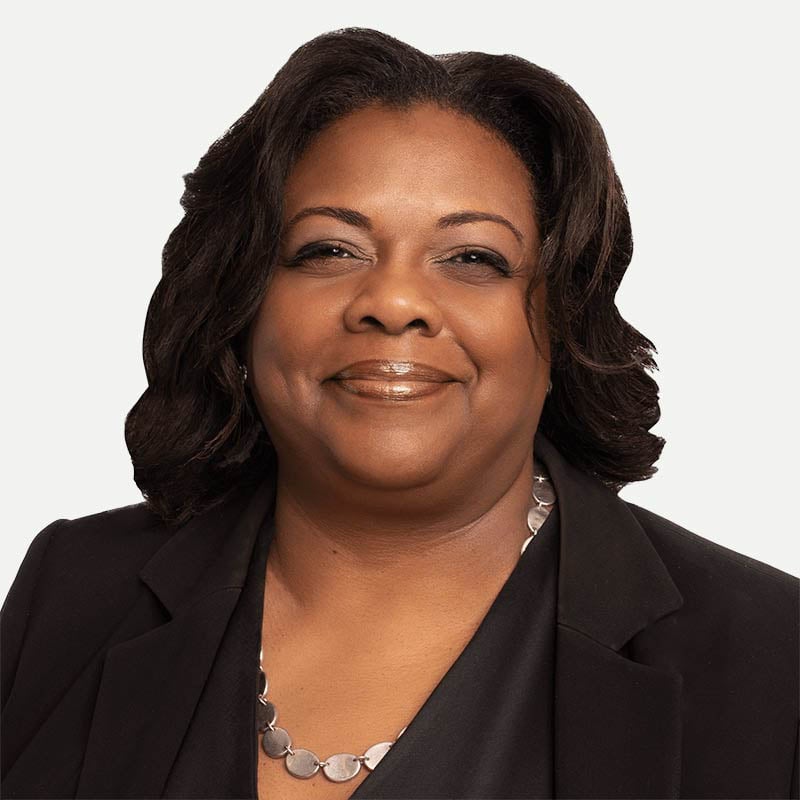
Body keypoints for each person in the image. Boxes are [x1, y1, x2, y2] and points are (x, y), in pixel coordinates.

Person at [1, 26, 797, 800]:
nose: (393, 301)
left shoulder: (771, 659)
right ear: (241, 305)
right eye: (329, 250)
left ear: (564, 323)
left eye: (473, 258)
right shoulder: (72, 590)